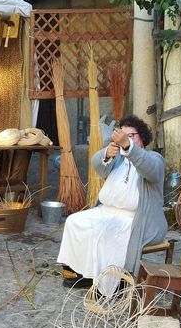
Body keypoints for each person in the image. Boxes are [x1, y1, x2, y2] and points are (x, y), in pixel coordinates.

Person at [57, 115, 167, 295]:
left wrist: (128, 147)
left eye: (130, 135)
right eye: (122, 135)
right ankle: (80, 273)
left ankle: (111, 284)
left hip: (135, 219)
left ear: (141, 137)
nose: (125, 139)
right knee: (74, 221)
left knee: (104, 232)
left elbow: (151, 169)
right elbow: (96, 163)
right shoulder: (119, 159)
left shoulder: (154, 158)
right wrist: (107, 152)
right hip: (105, 211)